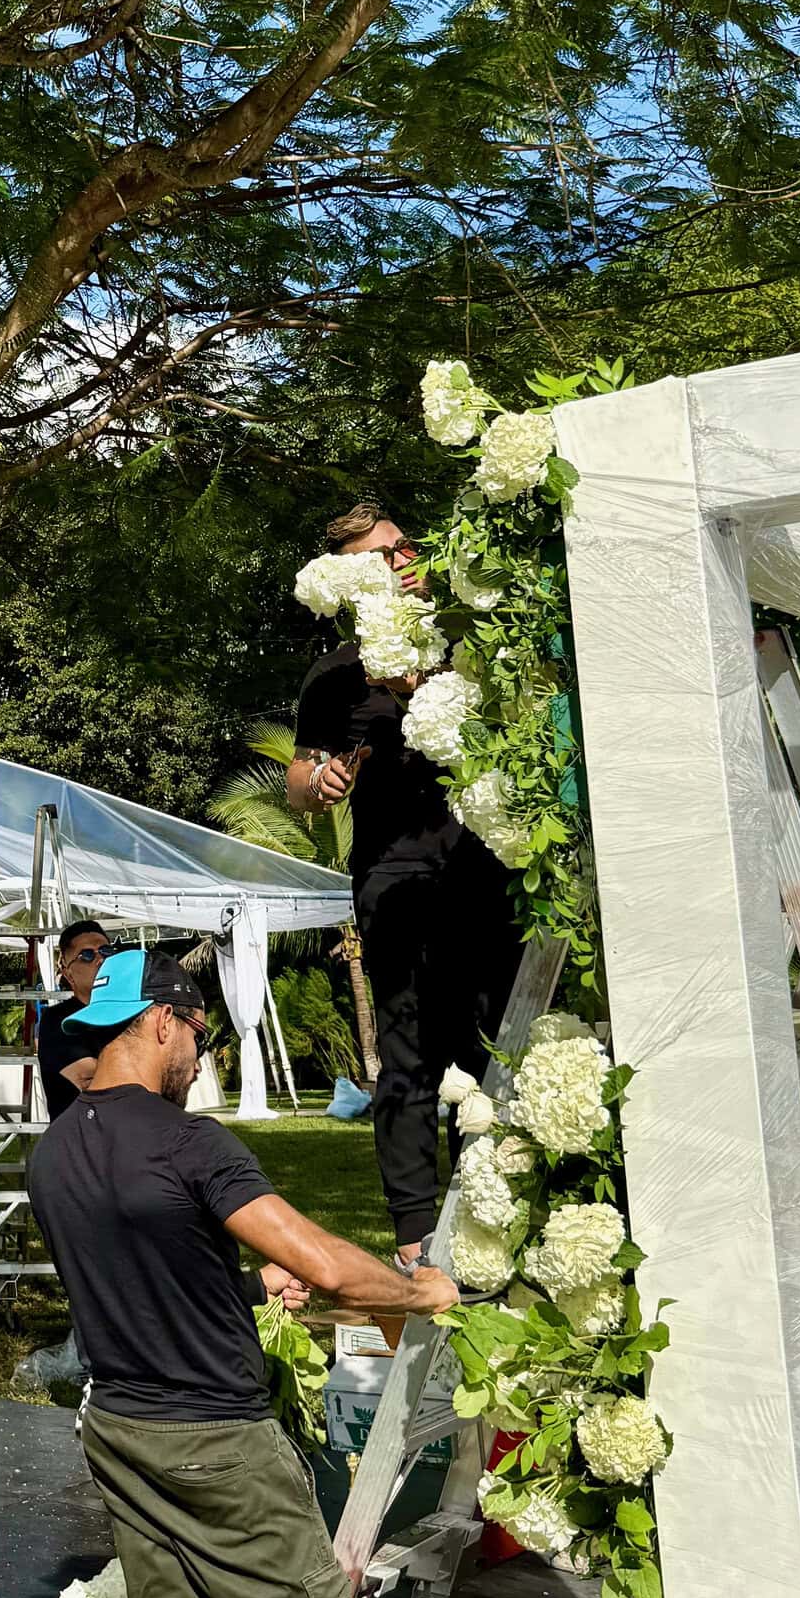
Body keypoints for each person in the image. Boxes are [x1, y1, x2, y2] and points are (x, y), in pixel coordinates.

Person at [27, 943, 510, 1598]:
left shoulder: (54, 1153)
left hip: (124, 1432)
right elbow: (334, 1264)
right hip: (223, 1453)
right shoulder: (190, 1141)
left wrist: (250, 1284)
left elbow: (141, 1268)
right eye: (196, 1031)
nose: (200, 1053)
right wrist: (420, 1292)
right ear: (159, 1021)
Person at [291, 502, 521, 1263]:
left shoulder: (473, 637)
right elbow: (300, 777)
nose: (399, 563)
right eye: (376, 559)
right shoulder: (333, 674)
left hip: (488, 865)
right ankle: (417, 1238)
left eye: (402, 547)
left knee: (494, 1041)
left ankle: (494, 1213)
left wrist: (425, 679)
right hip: (393, 879)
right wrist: (318, 782)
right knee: (409, 1052)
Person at [34, 918, 111, 1122]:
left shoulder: (135, 1013)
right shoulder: (58, 1021)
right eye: (87, 955)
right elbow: (97, 1085)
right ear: (68, 973)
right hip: (82, 1138)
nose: (100, 960)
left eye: (106, 951)